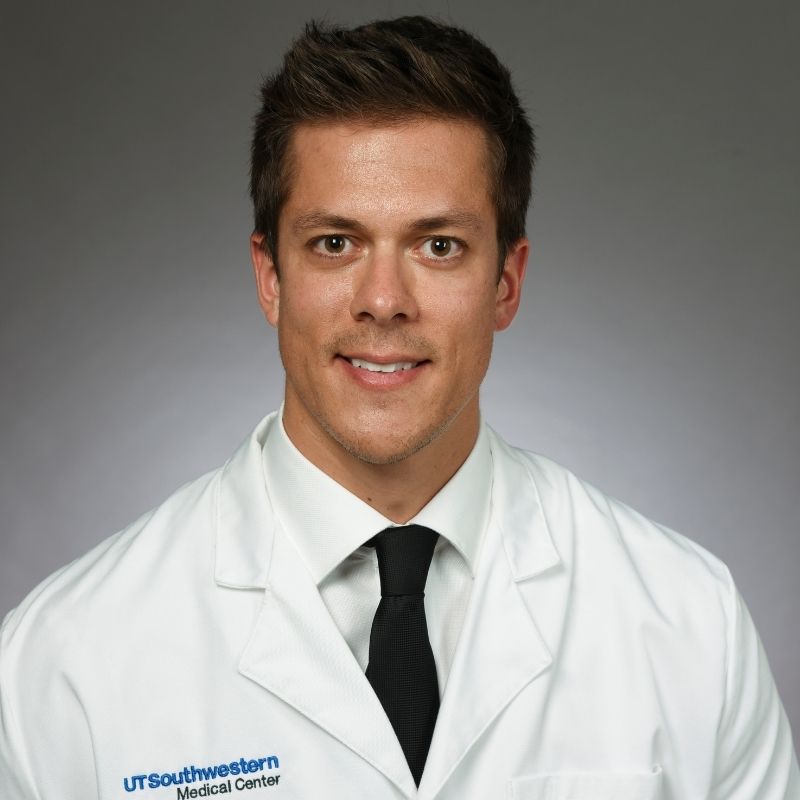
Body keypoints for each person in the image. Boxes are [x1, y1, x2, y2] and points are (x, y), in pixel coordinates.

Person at [0, 15, 797, 800]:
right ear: (270, 277)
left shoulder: (689, 622)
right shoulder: (63, 659)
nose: (384, 302)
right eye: (335, 243)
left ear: (506, 283)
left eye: (438, 245)